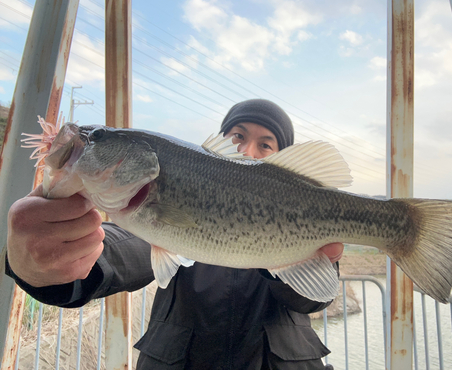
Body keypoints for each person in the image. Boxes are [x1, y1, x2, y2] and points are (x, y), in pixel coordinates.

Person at [5, 99, 344, 369]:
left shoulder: (307, 218)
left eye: (266, 144)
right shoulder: (157, 213)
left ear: (284, 162)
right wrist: (48, 266)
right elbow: (123, 249)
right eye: (238, 136)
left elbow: (315, 297)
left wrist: (277, 249)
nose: (247, 150)